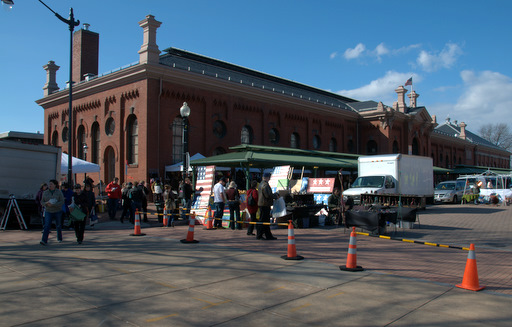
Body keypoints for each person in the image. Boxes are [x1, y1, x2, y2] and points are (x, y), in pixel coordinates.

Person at [40, 179, 65, 245]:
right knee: (47, 225)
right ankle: (44, 240)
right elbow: (42, 202)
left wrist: (55, 204)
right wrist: (46, 203)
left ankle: (59, 238)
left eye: (51, 184)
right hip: (48, 211)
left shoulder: (59, 192)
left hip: (57, 211)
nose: (50, 185)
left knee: (58, 225)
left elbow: (62, 201)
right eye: (49, 184)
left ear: (55, 185)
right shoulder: (45, 192)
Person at [257, 173, 277, 240]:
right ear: (267, 177)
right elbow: (268, 195)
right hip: (264, 204)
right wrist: (275, 196)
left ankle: (267, 235)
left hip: (262, 204)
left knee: (265, 220)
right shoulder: (265, 185)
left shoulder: (261, 184)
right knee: (263, 220)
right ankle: (260, 235)